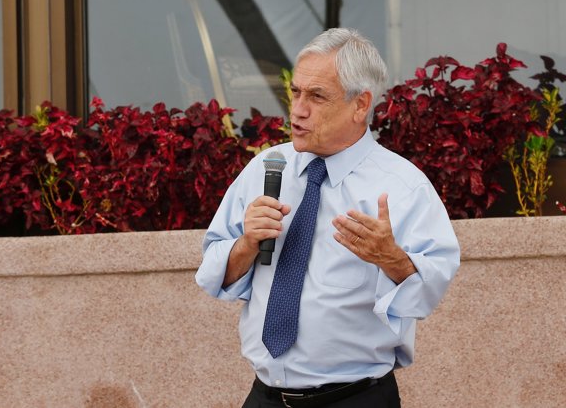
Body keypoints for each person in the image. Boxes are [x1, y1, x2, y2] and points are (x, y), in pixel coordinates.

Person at [196, 28, 460, 408]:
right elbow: (212, 272)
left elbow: (431, 289)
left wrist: (390, 258)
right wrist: (246, 244)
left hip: (354, 399)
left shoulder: (403, 187)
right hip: (264, 397)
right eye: (296, 93)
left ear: (360, 105)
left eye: (317, 96)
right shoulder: (266, 169)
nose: (298, 109)